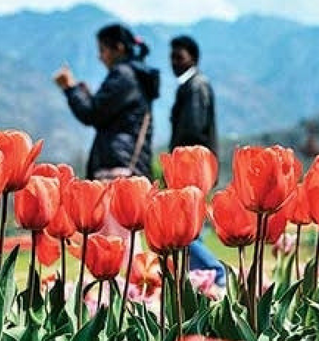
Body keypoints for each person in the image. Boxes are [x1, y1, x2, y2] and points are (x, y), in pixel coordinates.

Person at [54, 23, 158, 180]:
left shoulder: (124, 75)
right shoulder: (137, 76)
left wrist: (70, 88)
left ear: (119, 48)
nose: (100, 57)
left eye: (102, 50)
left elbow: (92, 113)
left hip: (116, 164)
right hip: (131, 164)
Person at [167, 35, 225, 288]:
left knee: (186, 232)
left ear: (193, 58)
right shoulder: (192, 85)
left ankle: (215, 272)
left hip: (192, 168)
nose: (174, 63)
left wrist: (179, 163)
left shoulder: (196, 86)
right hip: (192, 167)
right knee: (190, 230)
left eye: (179, 57)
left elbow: (192, 129)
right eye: (172, 58)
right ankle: (201, 279)